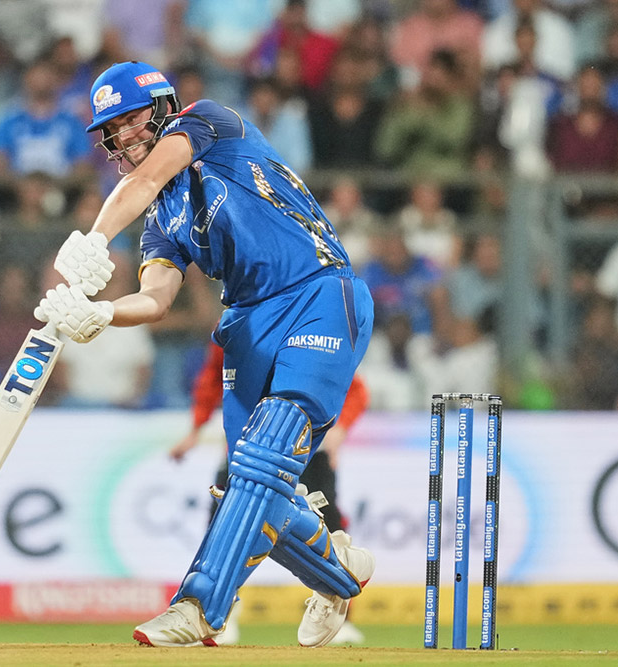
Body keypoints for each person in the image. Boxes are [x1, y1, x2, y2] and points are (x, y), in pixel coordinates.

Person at [33, 60, 375, 648]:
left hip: (317, 290)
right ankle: (339, 574)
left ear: (164, 107)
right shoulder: (160, 221)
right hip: (245, 322)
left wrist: (93, 236)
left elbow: (138, 185)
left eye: (133, 118)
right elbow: (156, 297)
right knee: (253, 483)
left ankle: (198, 606)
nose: (125, 136)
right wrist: (103, 314)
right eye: (112, 129)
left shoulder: (210, 122)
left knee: (264, 459)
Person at [170, 339, 371, 644]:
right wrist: (196, 429)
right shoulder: (232, 326)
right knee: (222, 525)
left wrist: (340, 429)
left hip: (307, 447)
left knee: (326, 526)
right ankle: (217, 612)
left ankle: (338, 613)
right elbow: (213, 379)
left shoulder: (306, 325)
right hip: (248, 445)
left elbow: (351, 386)